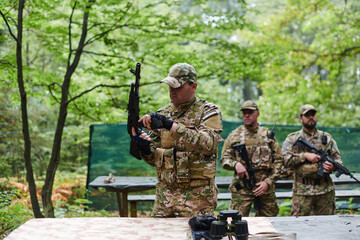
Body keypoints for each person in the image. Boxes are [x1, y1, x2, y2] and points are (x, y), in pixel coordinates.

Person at [132, 63, 223, 217]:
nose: (172, 90)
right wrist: (146, 149)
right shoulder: (162, 113)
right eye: (169, 86)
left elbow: (209, 144)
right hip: (164, 197)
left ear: (193, 86)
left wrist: (171, 126)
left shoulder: (208, 111)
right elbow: (155, 159)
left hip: (197, 198)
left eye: (177, 86)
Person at [220, 100, 283, 217]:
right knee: (237, 223)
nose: (247, 115)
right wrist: (236, 165)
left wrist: (268, 182)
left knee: (268, 225)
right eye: (244, 112)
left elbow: (279, 161)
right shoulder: (234, 135)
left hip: (264, 189)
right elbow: (224, 159)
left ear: (257, 113)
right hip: (242, 189)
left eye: (250, 112)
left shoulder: (268, 136)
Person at [282, 104, 342, 216]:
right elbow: (284, 160)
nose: (311, 117)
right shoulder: (292, 139)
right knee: (299, 227)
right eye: (307, 115)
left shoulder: (327, 138)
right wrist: (304, 155)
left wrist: (333, 167)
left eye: (313, 114)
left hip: (325, 191)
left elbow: (338, 159)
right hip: (302, 192)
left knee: (328, 226)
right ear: (301, 118)